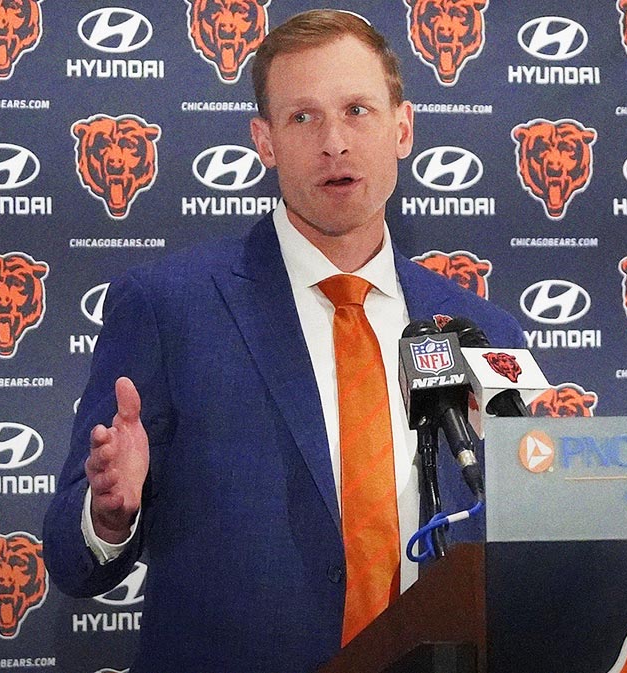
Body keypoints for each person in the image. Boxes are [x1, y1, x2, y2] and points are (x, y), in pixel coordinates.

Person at [43, 10, 524, 673]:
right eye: (303, 117)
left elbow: (526, 535)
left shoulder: (482, 330)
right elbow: (71, 561)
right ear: (264, 142)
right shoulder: (168, 307)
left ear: (403, 128)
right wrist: (108, 515)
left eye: (357, 110)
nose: (335, 141)